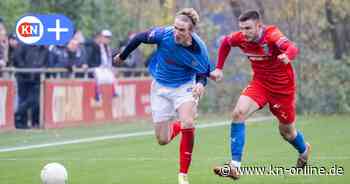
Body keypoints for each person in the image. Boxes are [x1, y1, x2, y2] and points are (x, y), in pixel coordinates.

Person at [114, 8, 213, 184]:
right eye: (175, 27)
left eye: (181, 30)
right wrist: (123, 56)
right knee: (162, 140)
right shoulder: (164, 34)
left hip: (184, 87)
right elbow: (138, 38)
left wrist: (200, 84)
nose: (176, 32)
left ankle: (183, 175)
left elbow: (203, 73)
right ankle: (178, 127)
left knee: (188, 122)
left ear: (191, 31)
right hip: (160, 87)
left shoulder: (200, 49)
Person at [210, 10, 311, 180]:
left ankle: (304, 150)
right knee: (238, 113)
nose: (244, 32)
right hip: (260, 84)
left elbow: (292, 47)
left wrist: (287, 55)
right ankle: (234, 166)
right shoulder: (240, 37)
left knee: (287, 133)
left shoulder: (272, 35)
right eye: (241, 28)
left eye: (248, 28)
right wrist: (219, 68)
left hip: (282, 90)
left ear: (259, 26)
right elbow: (226, 43)